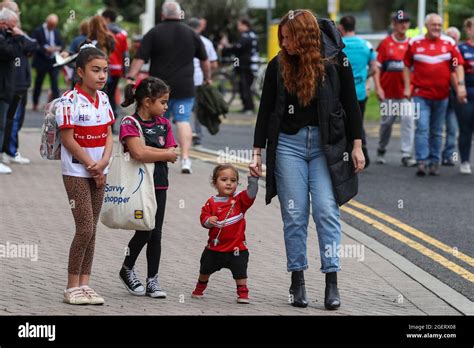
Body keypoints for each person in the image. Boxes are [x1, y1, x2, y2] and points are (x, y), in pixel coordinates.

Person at [251, 10, 364, 310]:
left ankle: (331, 281)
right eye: (281, 38)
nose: (283, 43)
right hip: (289, 145)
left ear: (304, 36)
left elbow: (352, 104)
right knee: (295, 215)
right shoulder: (278, 65)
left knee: (327, 211)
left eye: (287, 37)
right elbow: (265, 111)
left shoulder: (336, 61)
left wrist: (357, 145)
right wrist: (257, 152)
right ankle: (297, 279)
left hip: (327, 146)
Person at [57, 43, 114, 305]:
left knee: (93, 231)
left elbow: (108, 135)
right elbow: (68, 140)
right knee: (85, 228)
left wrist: (103, 162)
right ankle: (71, 287)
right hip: (76, 172)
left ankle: (85, 284)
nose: (102, 76)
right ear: (80, 72)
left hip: (100, 171)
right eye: (95, 70)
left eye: (104, 70)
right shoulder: (68, 101)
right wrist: (92, 165)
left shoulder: (103, 99)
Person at [126, 1, 210, 174]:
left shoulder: (154, 33)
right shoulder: (191, 34)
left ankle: (158, 155)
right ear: (180, 15)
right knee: (183, 120)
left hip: (158, 89)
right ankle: (186, 159)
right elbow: (205, 60)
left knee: (156, 122)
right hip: (185, 86)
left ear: (162, 15)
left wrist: (131, 77)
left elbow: (140, 57)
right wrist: (207, 78)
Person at [118, 77, 178, 298]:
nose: (165, 107)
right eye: (162, 102)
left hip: (160, 185)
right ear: (146, 101)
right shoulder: (129, 124)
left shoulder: (164, 124)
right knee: (145, 229)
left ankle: (153, 279)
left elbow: (173, 152)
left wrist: (159, 153)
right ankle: (126, 269)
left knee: (156, 232)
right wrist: (163, 154)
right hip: (137, 186)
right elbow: (138, 153)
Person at [403, 14, 466, 176]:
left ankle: (434, 161)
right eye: (434, 25)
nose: (437, 28)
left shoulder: (449, 43)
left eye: (439, 25)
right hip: (420, 94)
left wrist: (460, 85)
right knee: (422, 127)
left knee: (437, 130)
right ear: (426, 26)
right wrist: (408, 87)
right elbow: (406, 65)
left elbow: (458, 65)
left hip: (442, 95)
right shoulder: (415, 42)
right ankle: (422, 161)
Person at [191, 164, 258, 304]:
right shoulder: (211, 203)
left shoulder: (240, 200)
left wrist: (254, 178)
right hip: (214, 248)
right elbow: (203, 219)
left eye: (233, 180)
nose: (229, 183)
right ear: (215, 183)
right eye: (224, 179)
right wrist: (209, 221)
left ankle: (243, 293)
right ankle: (199, 288)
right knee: (205, 270)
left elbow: (251, 194)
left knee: (240, 271)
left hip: (237, 248)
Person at [374, 11, 416, 167]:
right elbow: (376, 68)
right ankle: (381, 148)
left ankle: (406, 154)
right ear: (394, 24)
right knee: (386, 124)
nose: (403, 25)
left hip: (406, 93)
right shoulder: (385, 43)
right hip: (388, 93)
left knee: (408, 120)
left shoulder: (412, 44)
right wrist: (378, 87)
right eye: (400, 22)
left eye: (405, 21)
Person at [1, 1, 38, 166]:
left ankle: (10, 150)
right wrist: (18, 38)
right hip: (10, 84)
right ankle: (8, 151)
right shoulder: (8, 36)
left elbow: (33, 45)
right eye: (15, 12)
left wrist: (19, 37)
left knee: (15, 119)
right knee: (9, 121)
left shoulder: (16, 33)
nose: (19, 15)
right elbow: (11, 52)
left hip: (20, 82)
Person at [339, 15, 376, 168]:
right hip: (360, 91)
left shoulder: (338, 45)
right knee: (357, 121)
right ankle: (362, 152)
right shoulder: (366, 45)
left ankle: (345, 155)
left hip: (341, 93)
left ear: (341, 28)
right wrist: (365, 77)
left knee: (341, 123)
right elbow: (374, 67)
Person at [188, 17, 218, 146]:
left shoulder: (181, 40)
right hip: (199, 80)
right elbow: (213, 64)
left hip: (183, 79)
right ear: (199, 27)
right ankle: (198, 135)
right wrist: (208, 78)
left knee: (183, 109)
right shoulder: (206, 42)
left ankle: (185, 135)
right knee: (197, 110)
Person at [220, 17, 259, 114]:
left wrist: (225, 47)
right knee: (244, 85)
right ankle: (247, 107)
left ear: (244, 25)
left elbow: (238, 47)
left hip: (246, 66)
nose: (238, 27)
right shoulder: (252, 34)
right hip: (248, 64)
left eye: (239, 25)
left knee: (245, 86)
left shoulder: (246, 36)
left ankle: (249, 108)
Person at [31, 14, 64, 111]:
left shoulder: (56, 31)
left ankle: (57, 105)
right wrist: (45, 49)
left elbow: (61, 44)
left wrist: (57, 48)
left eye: (54, 25)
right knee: (38, 83)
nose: (52, 27)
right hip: (41, 61)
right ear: (47, 22)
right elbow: (34, 44)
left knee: (55, 83)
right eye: (51, 25)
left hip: (53, 61)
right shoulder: (38, 31)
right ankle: (35, 103)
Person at [455, 17, 474, 175]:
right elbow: (453, 70)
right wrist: (459, 88)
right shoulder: (461, 49)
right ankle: (465, 161)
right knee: (466, 128)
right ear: (468, 30)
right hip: (467, 91)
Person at [102, 9, 129, 122]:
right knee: (112, 95)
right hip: (117, 69)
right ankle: (112, 120)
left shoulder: (103, 32)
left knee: (103, 95)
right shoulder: (122, 34)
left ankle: (104, 120)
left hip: (105, 69)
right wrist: (125, 70)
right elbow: (125, 53)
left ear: (107, 19)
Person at [441, 26, 461, 166]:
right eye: (449, 36)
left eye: (453, 37)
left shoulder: (459, 54)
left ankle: (449, 155)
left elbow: (457, 71)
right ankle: (431, 156)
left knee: (452, 128)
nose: (451, 39)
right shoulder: (440, 51)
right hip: (437, 94)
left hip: (452, 97)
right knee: (432, 128)